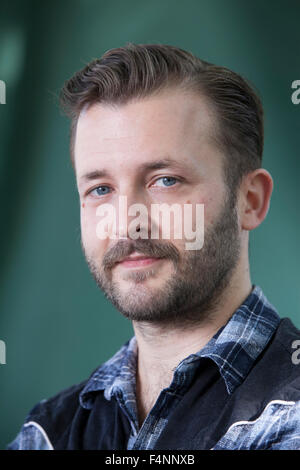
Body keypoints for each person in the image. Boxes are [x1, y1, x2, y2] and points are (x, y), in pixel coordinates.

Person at [7, 42, 300, 450]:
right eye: (100, 188)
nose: (127, 222)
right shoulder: (48, 432)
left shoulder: (291, 417)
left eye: (165, 180)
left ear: (250, 200)